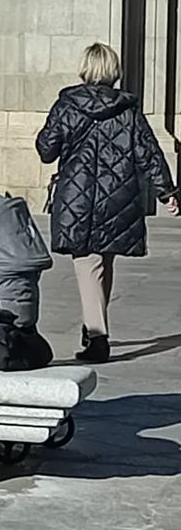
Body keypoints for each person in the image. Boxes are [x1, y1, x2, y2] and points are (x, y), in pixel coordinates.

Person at [36, 42, 179, 364]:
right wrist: (167, 191)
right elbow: (149, 153)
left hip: (77, 195)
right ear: (114, 71)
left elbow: (46, 150)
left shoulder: (67, 105)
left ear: (85, 69)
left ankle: (98, 336)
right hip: (118, 195)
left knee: (88, 264)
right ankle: (93, 327)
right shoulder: (128, 110)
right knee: (101, 263)